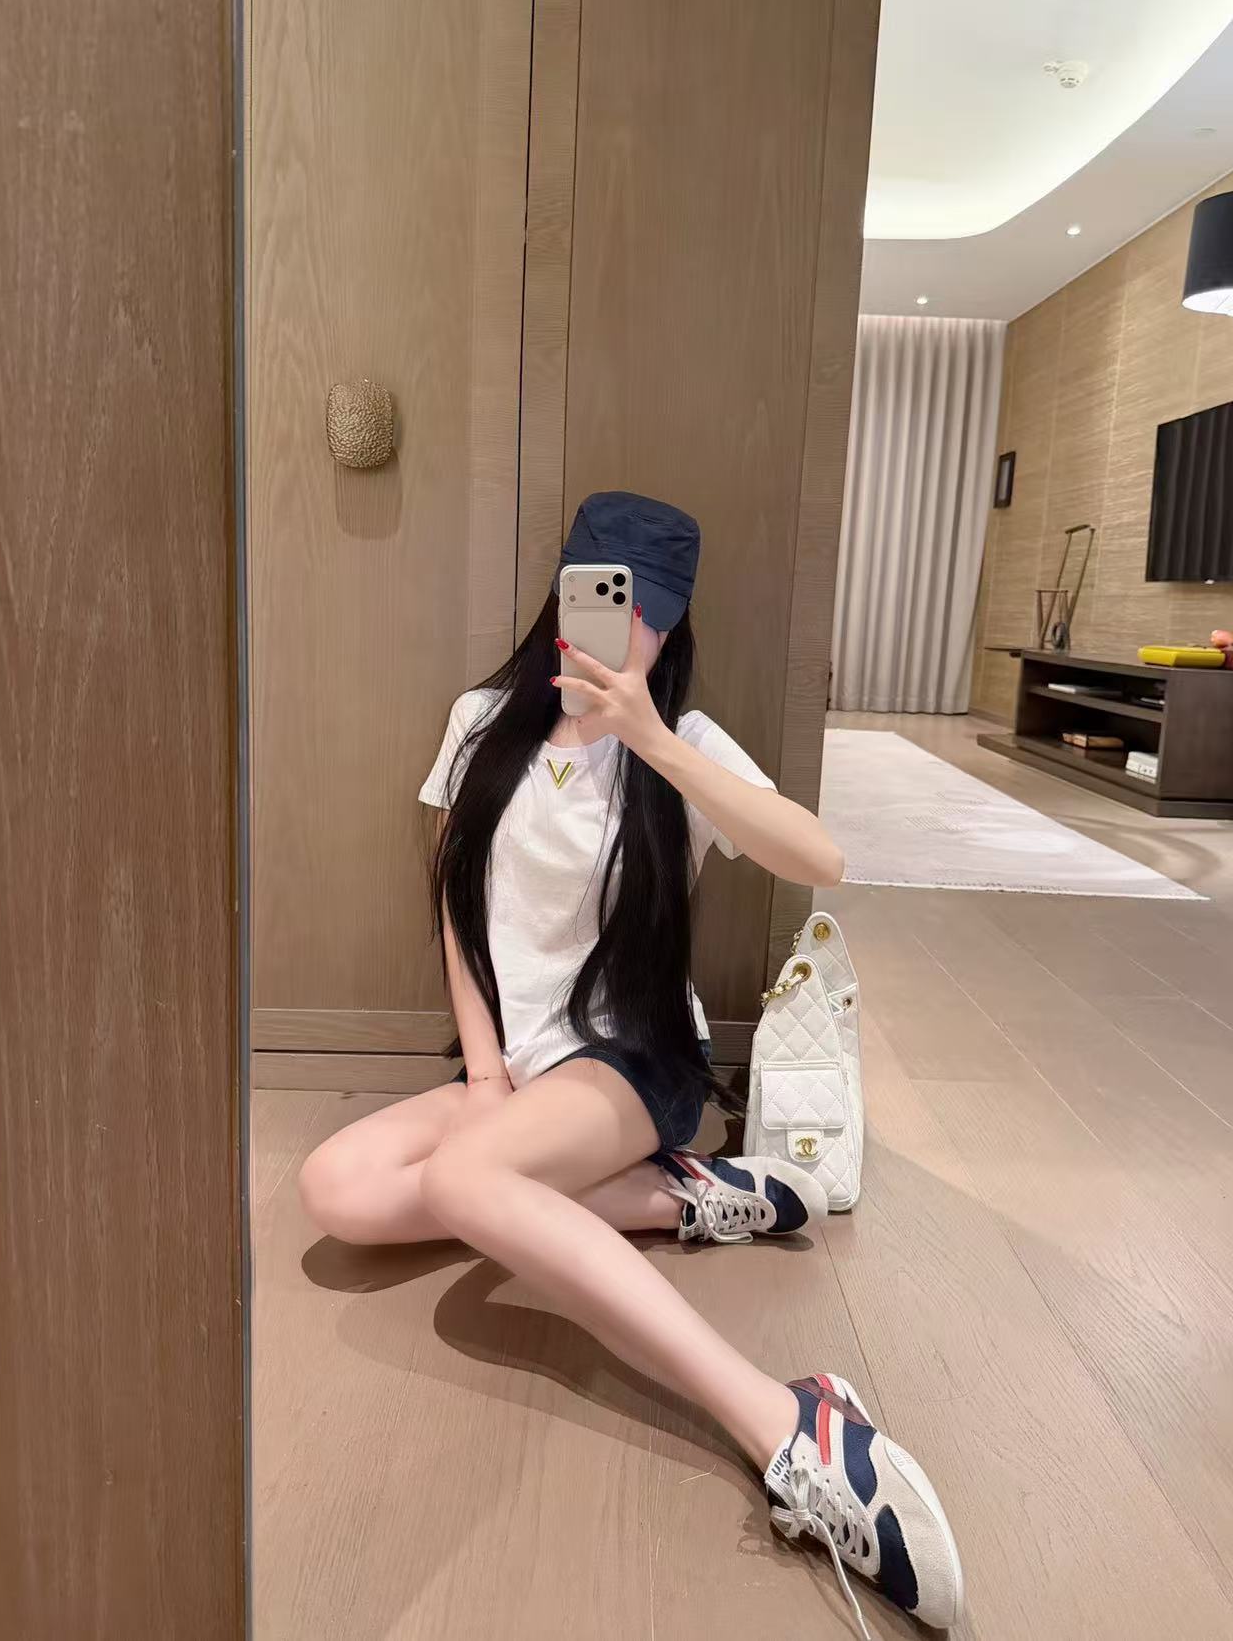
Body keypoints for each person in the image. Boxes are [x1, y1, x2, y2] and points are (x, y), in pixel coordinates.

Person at [299, 492, 964, 1635]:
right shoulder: (479, 722)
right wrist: (484, 1075)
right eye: (600, 600)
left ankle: (789, 1421)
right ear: (561, 596)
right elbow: (454, 903)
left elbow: (822, 857)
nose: (622, 631)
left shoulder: (682, 745)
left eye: (645, 613)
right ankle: (671, 1197)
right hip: (519, 1071)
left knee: (461, 1182)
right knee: (336, 1191)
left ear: (671, 622)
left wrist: (651, 739)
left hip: (631, 1058)